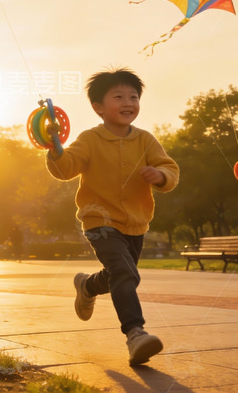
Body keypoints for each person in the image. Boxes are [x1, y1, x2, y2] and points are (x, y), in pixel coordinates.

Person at [45, 68, 179, 366]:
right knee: (126, 272)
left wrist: (160, 175)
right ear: (98, 107)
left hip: (136, 223)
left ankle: (88, 286)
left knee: (120, 274)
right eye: (118, 96)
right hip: (99, 220)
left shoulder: (145, 140)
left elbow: (170, 169)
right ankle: (136, 334)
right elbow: (66, 169)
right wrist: (55, 148)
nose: (128, 101)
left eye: (133, 96)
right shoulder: (90, 139)